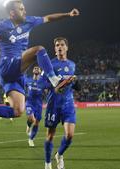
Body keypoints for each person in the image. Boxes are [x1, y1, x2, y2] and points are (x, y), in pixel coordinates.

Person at [0, 0, 79, 120]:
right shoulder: (3, 25)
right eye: (21, 9)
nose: (25, 11)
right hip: (8, 66)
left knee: (17, 111)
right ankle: (55, 80)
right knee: (39, 50)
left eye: (24, 8)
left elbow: (48, 18)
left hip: (17, 75)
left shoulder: (29, 21)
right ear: (12, 13)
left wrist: (68, 14)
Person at [43, 37, 80, 169]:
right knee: (50, 136)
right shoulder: (50, 65)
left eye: (62, 45)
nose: (59, 47)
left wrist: (74, 81)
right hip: (53, 104)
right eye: (57, 45)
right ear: (55, 49)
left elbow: (75, 86)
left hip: (68, 104)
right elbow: (43, 83)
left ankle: (59, 154)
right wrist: (57, 84)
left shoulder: (72, 64)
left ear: (66, 47)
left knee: (69, 135)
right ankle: (47, 163)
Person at [25, 66, 47, 147]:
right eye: (35, 68)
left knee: (37, 122)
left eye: (38, 68)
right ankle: (28, 125)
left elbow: (49, 88)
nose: (36, 69)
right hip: (29, 103)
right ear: (33, 71)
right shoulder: (28, 80)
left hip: (38, 104)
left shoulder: (43, 82)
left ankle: (31, 139)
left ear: (40, 71)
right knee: (31, 118)